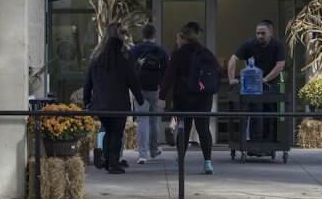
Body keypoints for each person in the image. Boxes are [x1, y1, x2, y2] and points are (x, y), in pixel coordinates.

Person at [160, 21, 220, 175]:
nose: (177, 42)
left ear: (183, 38)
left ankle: (181, 161)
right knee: (203, 128)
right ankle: (207, 162)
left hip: (183, 97)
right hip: (203, 97)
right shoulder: (206, 53)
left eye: (178, 39)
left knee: (184, 129)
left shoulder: (178, 54)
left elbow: (169, 76)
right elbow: (216, 72)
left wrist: (162, 96)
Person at [83, 29, 144, 175]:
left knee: (108, 131)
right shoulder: (123, 62)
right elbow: (132, 81)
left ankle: (107, 160)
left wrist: (87, 101)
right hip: (119, 104)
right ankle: (113, 162)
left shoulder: (96, 62)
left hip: (101, 105)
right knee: (117, 133)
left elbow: (87, 83)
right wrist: (139, 99)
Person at [228, 20, 286, 146]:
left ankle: (269, 143)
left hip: (270, 84)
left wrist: (265, 79)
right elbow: (233, 59)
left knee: (270, 113)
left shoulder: (278, 45)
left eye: (263, 33)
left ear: (270, 32)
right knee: (256, 111)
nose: (260, 36)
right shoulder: (249, 44)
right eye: (258, 33)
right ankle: (254, 143)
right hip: (253, 86)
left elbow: (280, 65)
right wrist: (231, 79)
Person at [129, 22, 169, 164]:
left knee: (142, 121)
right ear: (154, 35)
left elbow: (129, 69)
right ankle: (154, 150)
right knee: (154, 121)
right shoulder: (161, 51)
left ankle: (143, 154)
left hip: (139, 90)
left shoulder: (135, 50)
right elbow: (167, 72)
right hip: (156, 90)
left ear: (143, 35)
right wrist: (163, 91)